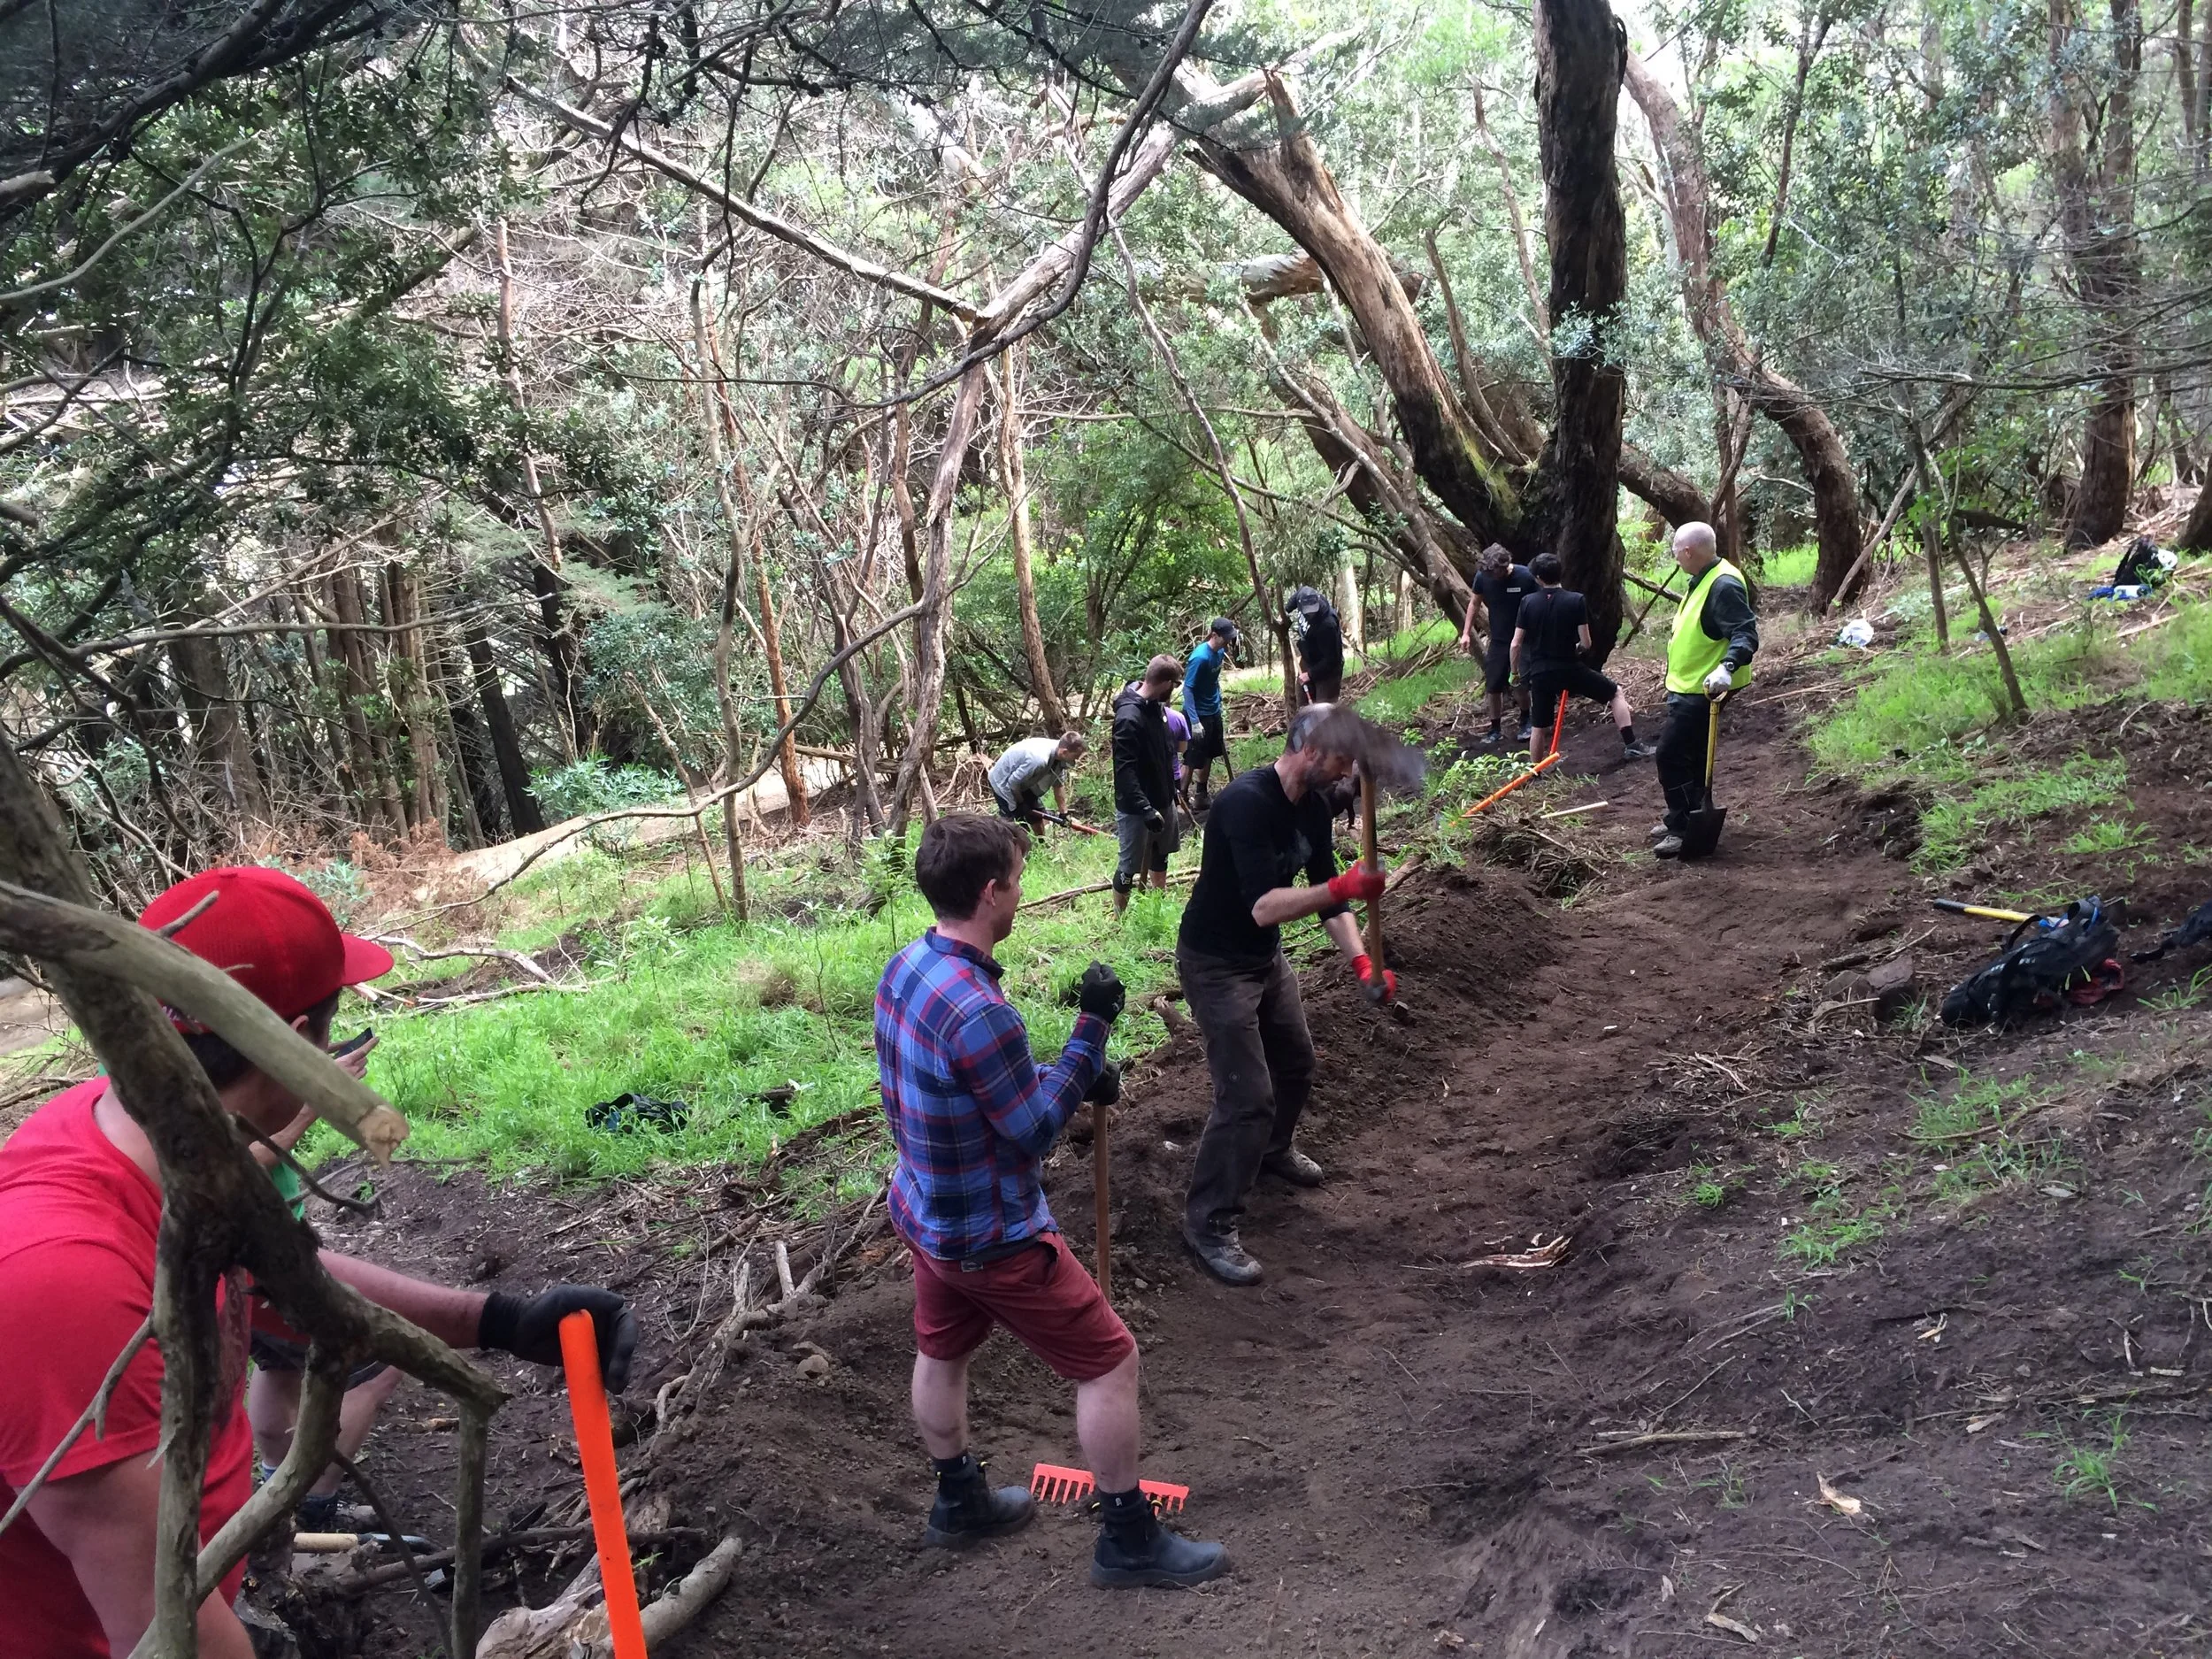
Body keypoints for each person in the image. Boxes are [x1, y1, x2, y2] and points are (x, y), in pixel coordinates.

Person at [0, 865, 638, 1659]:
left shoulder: (164, 1140)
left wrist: (498, 1321)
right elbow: (165, 1633)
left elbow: (287, 1276)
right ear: (299, 1045)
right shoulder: (61, 1284)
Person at [875, 815, 1226, 1588]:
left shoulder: (906, 969)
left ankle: (958, 1499)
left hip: (928, 1216)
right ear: (991, 890)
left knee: (941, 1350)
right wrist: (1090, 1031)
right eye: (1018, 878)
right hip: (994, 1234)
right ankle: (1128, 1538)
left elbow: (973, 1088)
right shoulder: (982, 1010)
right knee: (1110, 1361)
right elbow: (1032, 1130)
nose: (1024, 891)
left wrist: (1067, 1075)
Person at [1178, 704, 1394, 1287]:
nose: (1349, 770)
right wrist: (1342, 883)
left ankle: (1271, 1151)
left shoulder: (1316, 807)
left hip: (1263, 957)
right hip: (1216, 962)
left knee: (1296, 1063)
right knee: (1247, 1094)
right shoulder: (1244, 803)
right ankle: (1208, 1220)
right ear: (1309, 750)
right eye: (1342, 757)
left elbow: (1330, 900)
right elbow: (1264, 905)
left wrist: (1363, 962)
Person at [1651, 521, 1759, 859]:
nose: (1674, 558)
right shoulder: (1703, 576)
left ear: (1688, 551)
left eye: (1675, 552)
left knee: (1669, 754)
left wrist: (1726, 667)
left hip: (1705, 688)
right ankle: (1688, 814)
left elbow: (1746, 632)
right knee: (1693, 753)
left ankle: (1682, 827)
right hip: (1690, 684)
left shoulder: (1723, 584)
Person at [1510, 552, 1655, 764]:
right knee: (1615, 694)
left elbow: (1516, 644)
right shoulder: (1575, 600)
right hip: (1570, 667)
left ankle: (1536, 770)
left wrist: (1515, 673)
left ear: (1538, 578)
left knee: (1538, 725)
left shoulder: (1527, 602)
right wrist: (1577, 649)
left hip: (1540, 671)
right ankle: (1632, 745)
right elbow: (1586, 642)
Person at [1110, 656, 1180, 917]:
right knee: (1129, 865)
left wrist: (1174, 786)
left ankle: (1157, 905)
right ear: (1164, 682)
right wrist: (1145, 808)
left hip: (1163, 796)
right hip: (1136, 807)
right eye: (1174, 684)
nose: (1174, 689)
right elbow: (1124, 770)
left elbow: (1165, 749)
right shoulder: (1129, 717)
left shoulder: (1156, 707)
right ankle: (1120, 920)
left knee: (1162, 852)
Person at [1458, 544, 1537, 745]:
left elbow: (1541, 601)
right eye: (1489, 572)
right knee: (1493, 685)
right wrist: (1466, 633)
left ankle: (1526, 720)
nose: (1492, 576)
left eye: (1496, 571)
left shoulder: (1526, 576)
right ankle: (1495, 728)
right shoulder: (1483, 577)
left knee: (1518, 682)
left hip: (1523, 640)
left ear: (1505, 565)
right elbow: (1474, 603)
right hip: (1499, 640)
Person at [1181, 618, 1238, 808]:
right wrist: (1194, 721)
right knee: (1191, 757)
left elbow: (1213, 680)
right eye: (1225, 638)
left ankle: (1201, 794)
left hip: (1213, 711)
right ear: (1214, 635)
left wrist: (1218, 699)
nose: (1228, 642)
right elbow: (1187, 689)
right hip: (1198, 714)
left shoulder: (1220, 652)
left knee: (1209, 755)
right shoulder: (1200, 658)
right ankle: (1181, 797)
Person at [987, 730, 1087, 830]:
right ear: (1064, 752)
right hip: (1003, 782)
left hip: (1023, 783)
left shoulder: (1059, 755)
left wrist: (1064, 813)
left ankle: (1041, 843)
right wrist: (1021, 803)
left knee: (1036, 815)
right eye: (1075, 757)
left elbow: (1058, 785)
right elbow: (1013, 782)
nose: (1075, 761)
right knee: (1015, 823)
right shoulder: (1039, 760)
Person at [1284, 585, 1345, 704]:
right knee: (1303, 705)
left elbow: (1332, 659)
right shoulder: (1304, 594)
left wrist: (1310, 675)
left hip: (1328, 670)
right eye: (1308, 612)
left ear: (1317, 600)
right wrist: (1286, 611)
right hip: (1308, 659)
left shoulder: (1328, 625)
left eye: (1313, 611)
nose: (1311, 614)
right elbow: (1296, 597)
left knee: (1324, 711)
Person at [1164, 705, 1192, 818]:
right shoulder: (1177, 717)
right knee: (1173, 809)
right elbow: (1182, 748)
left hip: (1149, 778)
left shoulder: (1139, 717)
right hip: (1172, 774)